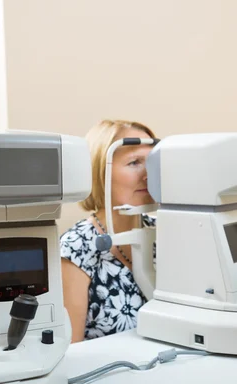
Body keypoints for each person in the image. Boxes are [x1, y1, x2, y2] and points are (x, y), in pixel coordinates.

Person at [60, 119, 157, 342]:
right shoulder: (75, 248)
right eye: (134, 162)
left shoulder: (163, 235)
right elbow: (71, 351)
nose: (147, 175)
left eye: (151, 163)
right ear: (99, 171)